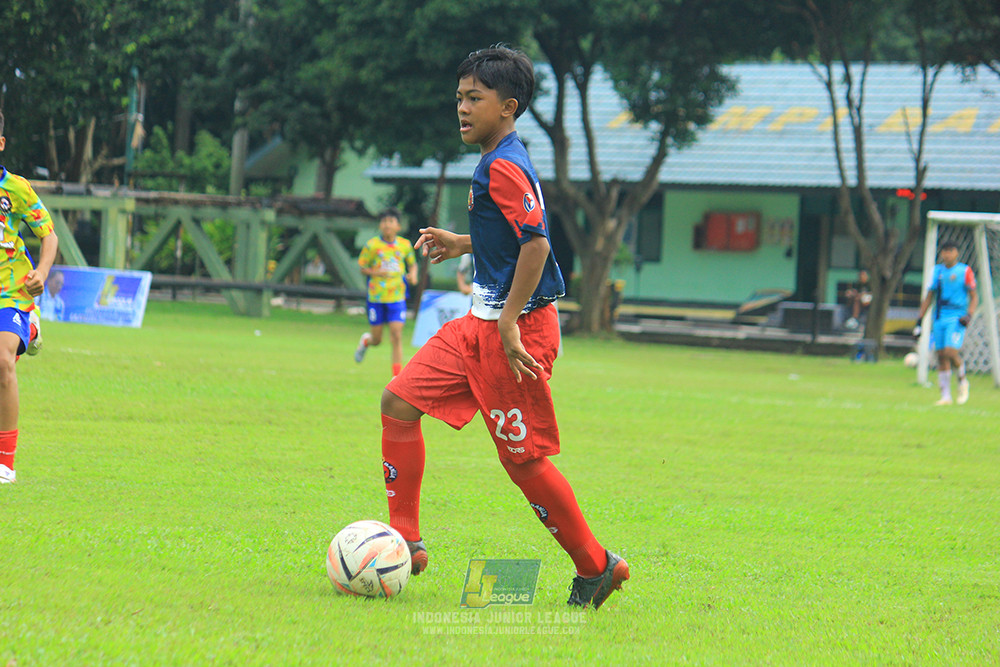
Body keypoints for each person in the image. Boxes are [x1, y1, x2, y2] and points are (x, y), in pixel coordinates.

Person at [377, 46, 628, 609]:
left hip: (517, 333)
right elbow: (511, 236)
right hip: (479, 325)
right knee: (398, 402)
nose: (461, 108)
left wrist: (510, 322)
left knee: (523, 461)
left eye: (474, 98)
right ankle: (406, 539)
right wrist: (462, 241)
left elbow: (538, 245)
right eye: (459, 98)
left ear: (507, 107)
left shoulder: (506, 163)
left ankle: (598, 567)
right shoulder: (495, 158)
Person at [0, 110, 59, 484]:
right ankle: (31, 333)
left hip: (13, 292)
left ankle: (5, 464)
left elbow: (49, 236)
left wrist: (42, 274)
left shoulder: (16, 188)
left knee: (2, 360)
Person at [355, 207, 418, 377]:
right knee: (377, 340)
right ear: (380, 225)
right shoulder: (372, 245)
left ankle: (396, 377)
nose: (387, 224)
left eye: (391, 221)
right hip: (376, 297)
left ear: (398, 226)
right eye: (384, 221)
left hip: (397, 297)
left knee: (396, 334)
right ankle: (366, 341)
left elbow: (412, 264)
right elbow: (362, 267)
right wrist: (375, 272)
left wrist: (413, 275)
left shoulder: (404, 245)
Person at [914, 241, 978, 405]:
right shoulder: (937, 271)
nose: (947, 254)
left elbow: (974, 296)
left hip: (956, 318)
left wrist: (969, 315)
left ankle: (963, 381)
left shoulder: (964, 271)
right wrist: (919, 321)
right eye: (944, 251)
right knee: (941, 355)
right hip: (939, 317)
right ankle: (946, 396)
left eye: (950, 251)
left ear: (956, 253)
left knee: (950, 352)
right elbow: (929, 297)